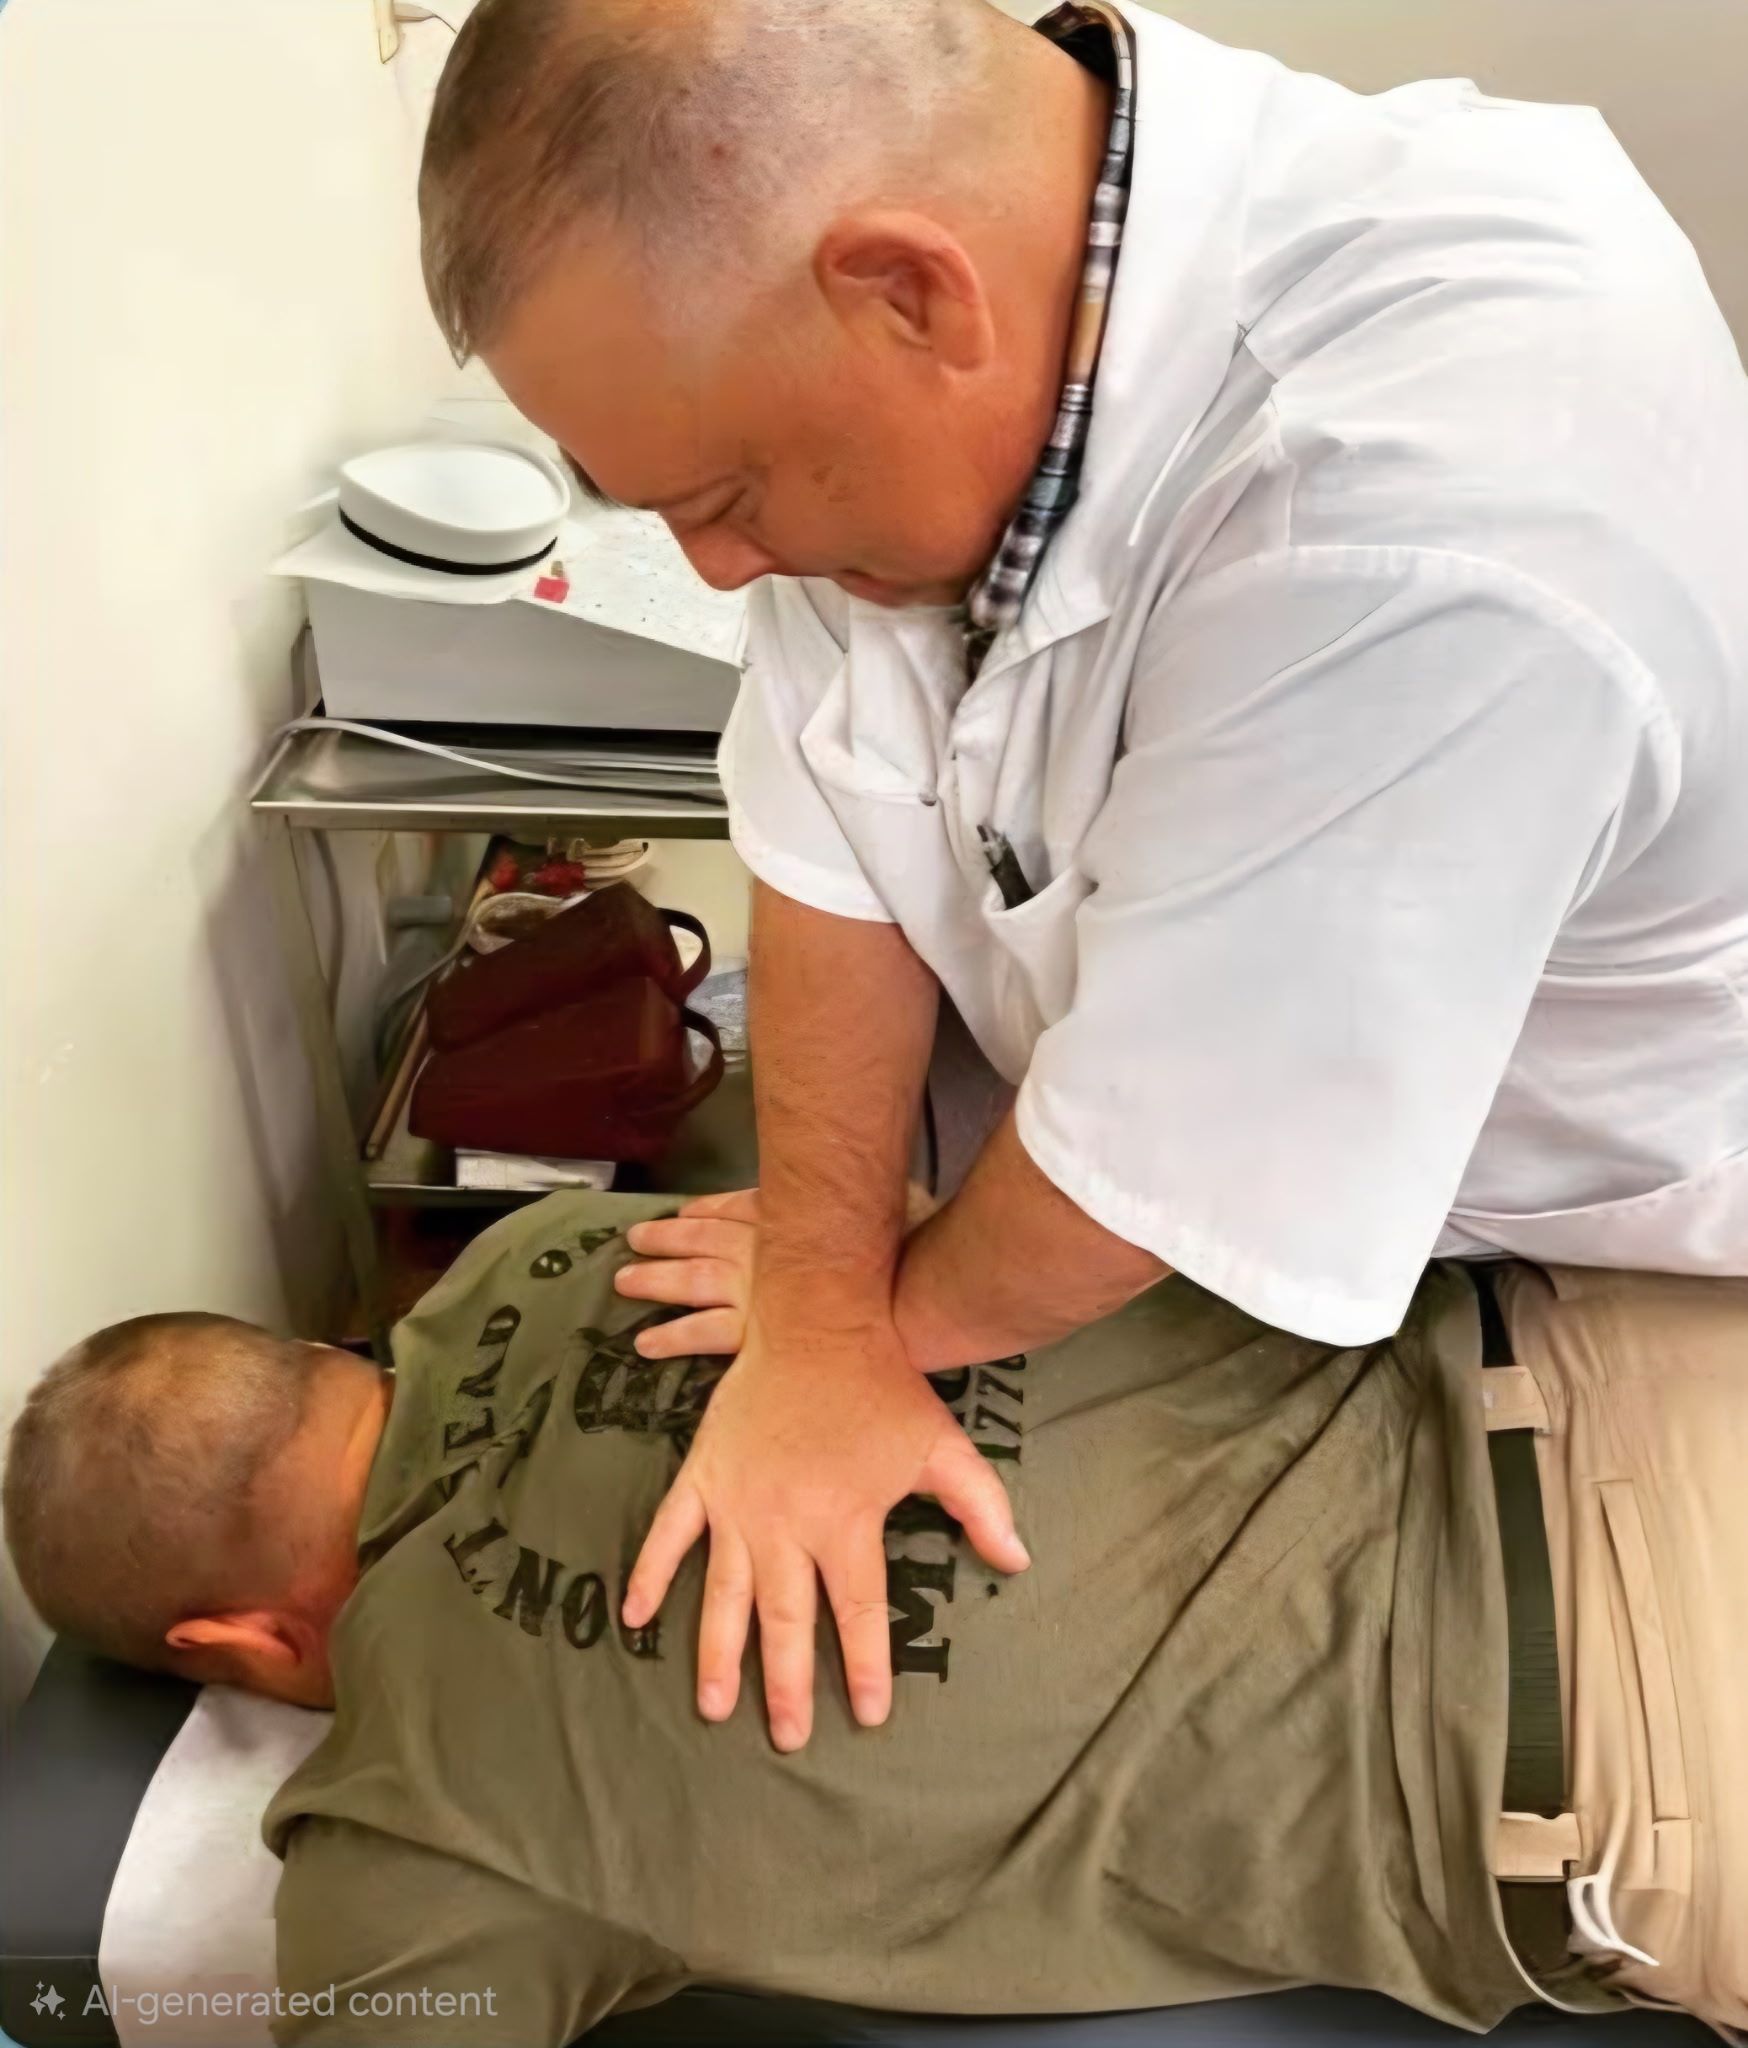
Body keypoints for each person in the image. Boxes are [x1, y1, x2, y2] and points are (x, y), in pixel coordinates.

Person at [414, 0, 1748, 1750]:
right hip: (1165, 1137)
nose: (715, 564)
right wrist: (821, 1310)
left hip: (1599, 1229)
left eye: (726, 490)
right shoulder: (926, 306)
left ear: (911, 293)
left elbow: (1159, 1168)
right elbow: (842, 798)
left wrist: (869, 1325)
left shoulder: (1433, 521)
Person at [4, 1195, 1744, 2041]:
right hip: (1612, 1338)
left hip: (1639, 1738)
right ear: (319, 1357)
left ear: (235, 1648)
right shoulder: (569, 1238)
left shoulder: (413, 1848)